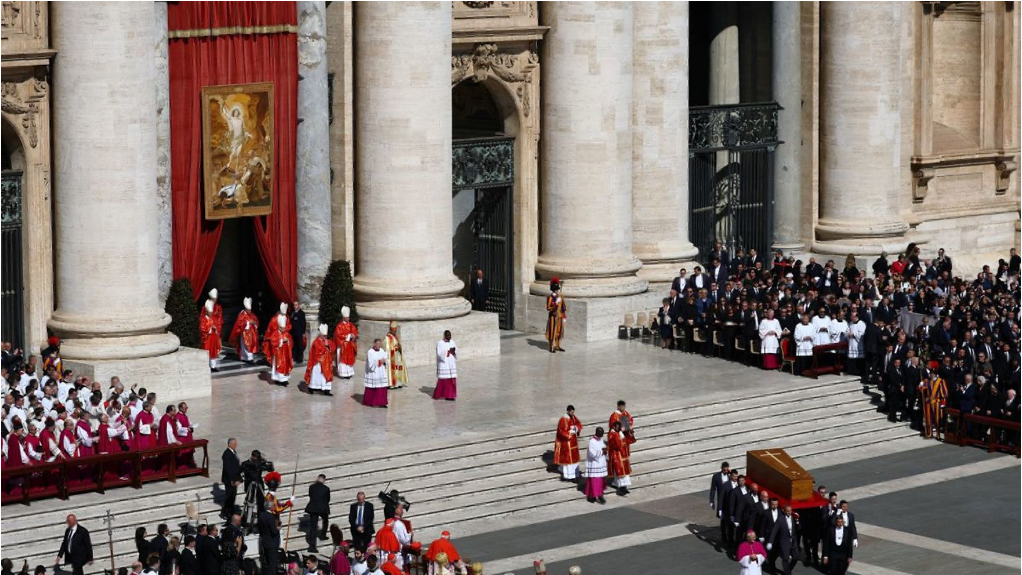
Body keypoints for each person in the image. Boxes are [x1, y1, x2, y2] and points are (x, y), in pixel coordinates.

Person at [766, 505, 800, 575]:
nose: (789, 512)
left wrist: (797, 521)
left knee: (796, 557)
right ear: (784, 511)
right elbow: (774, 531)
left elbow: (798, 529)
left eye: (790, 511)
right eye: (788, 511)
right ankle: (787, 573)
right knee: (785, 558)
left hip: (793, 541)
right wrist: (770, 542)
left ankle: (788, 569)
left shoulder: (793, 518)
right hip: (784, 542)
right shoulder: (780, 519)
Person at [304, 324, 336, 396]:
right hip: (318, 363)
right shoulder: (316, 342)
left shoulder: (328, 341)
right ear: (320, 335)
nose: (325, 337)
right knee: (317, 376)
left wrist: (328, 346)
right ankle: (312, 388)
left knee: (325, 376)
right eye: (324, 336)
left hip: (327, 363)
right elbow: (317, 352)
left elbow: (333, 349)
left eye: (326, 336)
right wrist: (325, 346)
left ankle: (326, 390)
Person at [553, 405, 583, 482]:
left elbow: (578, 424)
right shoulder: (563, 420)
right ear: (568, 411)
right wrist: (570, 433)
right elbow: (561, 431)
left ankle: (575, 474)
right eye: (572, 412)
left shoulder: (573, 417)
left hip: (573, 443)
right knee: (568, 461)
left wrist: (576, 428)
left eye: (573, 412)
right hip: (566, 443)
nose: (573, 413)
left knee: (574, 460)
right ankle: (569, 476)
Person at [266, 310, 295, 386]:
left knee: (285, 365)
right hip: (278, 353)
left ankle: (284, 380)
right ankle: (278, 379)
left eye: (284, 328)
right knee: (279, 365)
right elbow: (273, 342)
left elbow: (290, 340)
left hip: (285, 352)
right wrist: (281, 340)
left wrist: (287, 340)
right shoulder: (275, 333)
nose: (284, 329)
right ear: (279, 327)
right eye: (282, 328)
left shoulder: (286, 333)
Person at [607, 420, 635, 496]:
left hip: (623, 454)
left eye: (619, 427)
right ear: (614, 427)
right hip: (617, 455)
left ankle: (623, 487)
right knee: (620, 472)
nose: (619, 428)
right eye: (617, 427)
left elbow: (628, 440)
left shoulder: (618, 432)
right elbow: (617, 445)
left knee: (624, 472)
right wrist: (621, 437)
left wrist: (629, 433)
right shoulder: (612, 434)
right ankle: (621, 488)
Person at [229, 297, 260, 364]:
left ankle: (250, 358)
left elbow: (256, 320)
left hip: (251, 333)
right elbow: (239, 323)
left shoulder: (252, 315)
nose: (250, 311)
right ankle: (245, 357)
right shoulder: (242, 314)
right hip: (244, 333)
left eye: (250, 310)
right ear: (246, 309)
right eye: (248, 310)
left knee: (251, 345)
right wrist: (248, 323)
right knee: (245, 345)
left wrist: (254, 323)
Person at [305, 474, 331, 553]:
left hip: (313, 508)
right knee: (325, 520)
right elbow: (328, 499)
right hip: (322, 508)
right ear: (323, 480)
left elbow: (310, 495)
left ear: (318, 479)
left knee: (313, 527)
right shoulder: (326, 488)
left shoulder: (311, 487)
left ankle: (312, 546)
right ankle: (323, 535)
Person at [583, 427, 607, 504]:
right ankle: (592, 496)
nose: (602, 435)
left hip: (601, 464)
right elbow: (592, 454)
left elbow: (604, 448)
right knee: (594, 481)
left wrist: (606, 451)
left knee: (600, 481)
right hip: (594, 464)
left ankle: (600, 495)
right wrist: (602, 451)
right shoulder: (592, 442)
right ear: (597, 432)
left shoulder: (601, 440)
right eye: (601, 433)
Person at [363, 340, 389, 408]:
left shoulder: (382, 350)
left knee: (382, 387)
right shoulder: (370, 352)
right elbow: (371, 364)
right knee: (373, 387)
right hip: (373, 373)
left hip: (381, 372)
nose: (379, 346)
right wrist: (380, 361)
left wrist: (385, 360)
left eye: (380, 344)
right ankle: (372, 402)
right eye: (377, 344)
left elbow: (386, 359)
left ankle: (382, 402)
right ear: (374, 344)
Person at [333, 307, 358, 379]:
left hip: (349, 345)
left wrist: (354, 335)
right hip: (342, 345)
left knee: (349, 359)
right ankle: (342, 373)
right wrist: (348, 336)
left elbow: (354, 331)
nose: (348, 319)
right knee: (343, 360)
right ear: (343, 318)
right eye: (347, 317)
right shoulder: (339, 326)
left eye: (349, 317)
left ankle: (349, 373)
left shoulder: (351, 324)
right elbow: (338, 335)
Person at [433, 331, 457, 401]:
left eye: (450, 335)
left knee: (451, 380)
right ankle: (439, 394)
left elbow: (456, 350)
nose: (449, 337)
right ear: (444, 336)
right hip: (444, 364)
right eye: (448, 335)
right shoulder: (440, 343)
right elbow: (439, 354)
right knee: (444, 381)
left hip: (451, 363)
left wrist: (454, 351)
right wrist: (448, 352)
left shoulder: (452, 342)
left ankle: (450, 395)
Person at [221, 438, 242, 519]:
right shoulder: (226, 454)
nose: (235, 445)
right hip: (230, 480)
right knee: (229, 496)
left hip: (234, 479)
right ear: (229, 444)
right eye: (234, 444)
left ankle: (231, 511)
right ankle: (225, 512)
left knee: (233, 496)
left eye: (236, 444)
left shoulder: (233, 452)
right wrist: (232, 480)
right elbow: (228, 469)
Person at [545, 278, 567, 353]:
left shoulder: (560, 296)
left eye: (557, 289)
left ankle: (557, 346)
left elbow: (563, 307)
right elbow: (548, 308)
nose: (557, 291)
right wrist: (555, 304)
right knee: (552, 332)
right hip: (553, 317)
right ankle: (551, 347)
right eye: (555, 290)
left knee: (558, 331)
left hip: (560, 316)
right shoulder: (550, 297)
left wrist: (564, 316)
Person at [257, 507, 280, 575]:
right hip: (272, 544)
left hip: (265, 542)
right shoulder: (270, 517)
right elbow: (274, 531)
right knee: (272, 565)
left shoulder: (261, 515)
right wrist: (278, 528)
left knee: (267, 564)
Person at [384, 322, 408, 389]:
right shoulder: (387, 338)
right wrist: (396, 348)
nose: (395, 331)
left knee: (399, 369)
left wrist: (400, 348)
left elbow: (398, 345)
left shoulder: (395, 337)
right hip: (392, 358)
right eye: (394, 330)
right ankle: (393, 384)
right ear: (390, 330)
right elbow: (387, 349)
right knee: (394, 370)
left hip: (398, 356)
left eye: (395, 330)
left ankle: (399, 383)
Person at [200, 300, 221, 371]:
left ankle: (213, 366)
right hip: (208, 338)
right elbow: (202, 328)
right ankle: (207, 365)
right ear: (206, 311)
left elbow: (216, 326)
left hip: (213, 338)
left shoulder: (212, 319)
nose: (211, 313)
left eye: (211, 311)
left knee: (213, 351)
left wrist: (215, 329)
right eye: (210, 311)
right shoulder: (203, 319)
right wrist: (210, 328)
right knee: (207, 351)